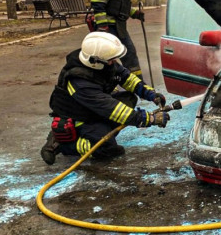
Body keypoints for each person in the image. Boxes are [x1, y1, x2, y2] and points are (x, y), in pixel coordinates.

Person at [40, 32, 169, 165]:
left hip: (93, 108)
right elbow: (113, 109)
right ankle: (64, 145)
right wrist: (149, 119)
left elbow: (125, 77)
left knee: (129, 99)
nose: (114, 62)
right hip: (79, 117)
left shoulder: (103, 63)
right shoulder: (80, 82)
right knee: (107, 149)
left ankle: (99, 131)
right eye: (111, 60)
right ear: (95, 62)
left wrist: (150, 94)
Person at [90, 0, 145, 78]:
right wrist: (103, 27)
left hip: (119, 25)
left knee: (129, 53)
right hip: (108, 26)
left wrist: (135, 13)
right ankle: (109, 88)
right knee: (108, 57)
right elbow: (98, 3)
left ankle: (138, 83)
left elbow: (121, 6)